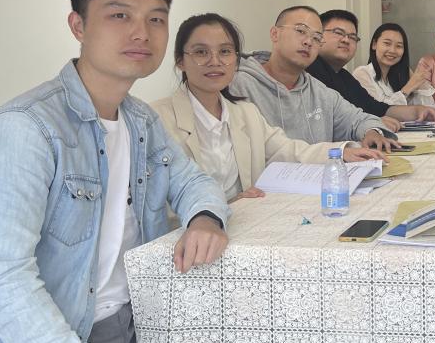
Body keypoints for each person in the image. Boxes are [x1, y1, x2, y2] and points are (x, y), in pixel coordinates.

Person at [0, 0, 279, 343]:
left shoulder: (139, 121)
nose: (142, 32)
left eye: (156, 19)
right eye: (119, 15)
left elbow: (194, 181)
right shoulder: (26, 129)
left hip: (133, 329)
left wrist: (206, 217)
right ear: (78, 25)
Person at [153, 13, 386, 202]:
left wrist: (342, 152)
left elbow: (288, 150)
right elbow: (160, 200)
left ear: (235, 58)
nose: (215, 61)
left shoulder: (244, 112)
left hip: (244, 222)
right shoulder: (155, 120)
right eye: (201, 52)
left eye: (225, 51)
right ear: (180, 60)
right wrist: (224, 205)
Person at [228, 5, 396, 151]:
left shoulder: (318, 90)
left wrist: (372, 132)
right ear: (274, 34)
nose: (309, 42)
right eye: (301, 31)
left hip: (318, 175)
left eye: (316, 38)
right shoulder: (238, 85)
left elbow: (359, 119)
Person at [306, 10, 435, 125]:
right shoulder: (308, 72)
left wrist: (417, 111)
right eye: (338, 33)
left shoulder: (344, 77)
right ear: (318, 36)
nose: (346, 40)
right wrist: (372, 123)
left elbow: (375, 108)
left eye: (352, 37)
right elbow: (339, 120)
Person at [353, 22, 435, 106]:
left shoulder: (397, 77)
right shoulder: (362, 73)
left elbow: (426, 105)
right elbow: (377, 109)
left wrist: (418, 81)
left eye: (399, 46)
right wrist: (408, 88)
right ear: (374, 44)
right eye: (387, 43)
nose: (392, 50)